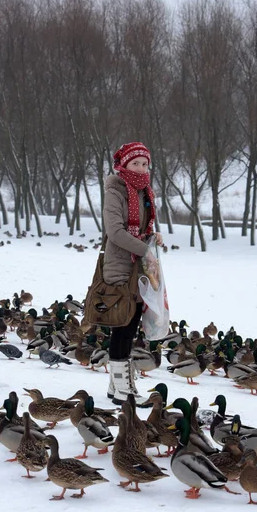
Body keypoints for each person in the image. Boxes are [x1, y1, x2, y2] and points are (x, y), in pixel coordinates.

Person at [103, 142, 162, 406]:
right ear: (124, 165)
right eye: (135, 163)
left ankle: (116, 387)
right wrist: (145, 249)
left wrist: (153, 237)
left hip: (139, 267)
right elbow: (115, 232)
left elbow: (142, 229)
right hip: (120, 266)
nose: (140, 168)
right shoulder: (115, 190)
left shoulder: (145, 192)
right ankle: (124, 391)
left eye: (144, 164)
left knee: (131, 324)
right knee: (123, 327)